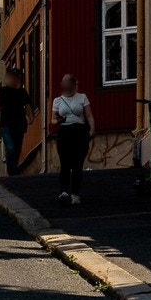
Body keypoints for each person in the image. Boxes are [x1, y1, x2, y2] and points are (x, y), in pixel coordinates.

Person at [49, 73, 95, 205]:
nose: (66, 87)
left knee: (77, 164)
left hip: (79, 131)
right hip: (64, 131)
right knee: (65, 163)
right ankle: (64, 191)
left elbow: (89, 115)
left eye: (68, 84)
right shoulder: (57, 100)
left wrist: (92, 129)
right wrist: (58, 120)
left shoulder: (82, 97)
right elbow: (53, 120)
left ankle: (75, 193)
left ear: (74, 85)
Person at [0, 67, 33, 176]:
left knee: (17, 149)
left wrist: (30, 117)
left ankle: (13, 170)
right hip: (6, 125)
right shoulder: (3, 91)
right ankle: (11, 171)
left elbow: (27, 106)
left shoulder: (22, 92)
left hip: (19, 125)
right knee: (10, 147)